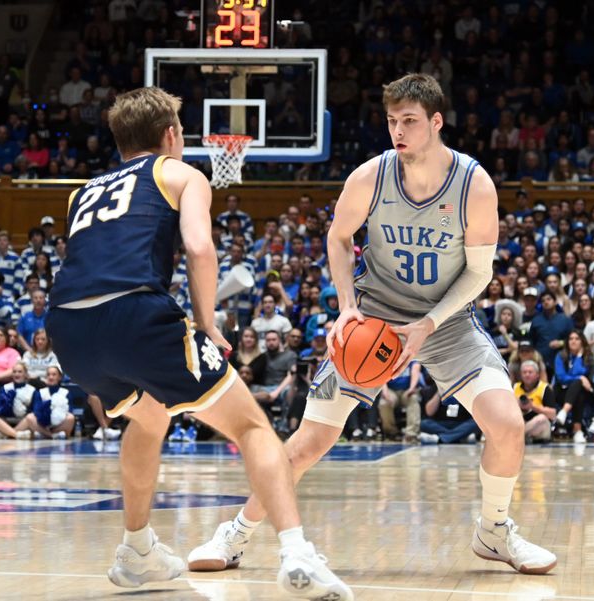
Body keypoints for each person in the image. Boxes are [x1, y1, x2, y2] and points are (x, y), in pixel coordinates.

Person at [190, 73, 556, 575]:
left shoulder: (474, 184)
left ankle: (493, 532)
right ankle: (235, 534)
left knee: (509, 425)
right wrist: (346, 307)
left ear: (436, 121)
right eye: (391, 121)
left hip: (445, 320)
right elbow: (338, 240)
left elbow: (479, 271)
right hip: (373, 320)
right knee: (309, 443)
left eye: (409, 121)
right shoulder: (370, 177)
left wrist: (428, 322)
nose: (398, 131)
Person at [45, 86, 350, 597]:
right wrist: (207, 323)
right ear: (170, 135)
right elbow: (199, 246)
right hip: (133, 312)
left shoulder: (83, 192)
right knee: (253, 427)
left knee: (149, 416)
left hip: (68, 328)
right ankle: (297, 552)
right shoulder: (182, 173)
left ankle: (136, 549)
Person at [553, 330, 594, 443]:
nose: (573, 341)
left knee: (579, 390)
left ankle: (564, 412)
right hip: (562, 391)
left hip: (583, 392)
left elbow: (590, 378)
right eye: (571, 339)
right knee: (578, 384)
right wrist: (581, 378)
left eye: (577, 339)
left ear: (582, 341)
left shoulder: (588, 357)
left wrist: (579, 357)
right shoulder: (561, 355)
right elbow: (561, 377)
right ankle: (577, 431)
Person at [378, 360, 423, 442]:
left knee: (413, 399)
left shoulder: (411, 355)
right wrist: (385, 391)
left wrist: (412, 388)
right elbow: (381, 373)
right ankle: (391, 433)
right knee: (384, 403)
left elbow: (416, 369)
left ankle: (411, 434)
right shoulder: (390, 356)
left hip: (407, 390)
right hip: (392, 390)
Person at [0, 362, 37, 439]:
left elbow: (34, 411)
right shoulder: (5, 388)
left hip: (23, 421)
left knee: (31, 417)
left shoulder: (32, 390)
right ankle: (16, 434)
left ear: (25, 374)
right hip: (6, 420)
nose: (17, 374)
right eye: (14, 372)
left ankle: (6, 433)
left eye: (20, 372)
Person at [513, 360, 556, 443]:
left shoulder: (545, 388)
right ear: (521, 375)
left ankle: (516, 436)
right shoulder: (515, 387)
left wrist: (532, 406)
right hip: (520, 421)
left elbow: (553, 414)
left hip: (539, 427)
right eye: (524, 372)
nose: (527, 375)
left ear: (537, 375)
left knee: (542, 419)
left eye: (530, 372)